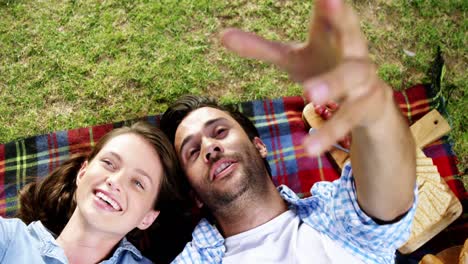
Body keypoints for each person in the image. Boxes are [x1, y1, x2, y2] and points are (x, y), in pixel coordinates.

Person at [160, 0, 417, 263]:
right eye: (192, 151)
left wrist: (373, 110)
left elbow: (390, 197)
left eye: (220, 131)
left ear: (259, 146)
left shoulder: (336, 217)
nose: (209, 148)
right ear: (194, 196)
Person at [0, 122, 189, 264]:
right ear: (82, 173)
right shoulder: (10, 239)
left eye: (138, 183)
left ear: (147, 217)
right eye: (109, 163)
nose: (115, 181)